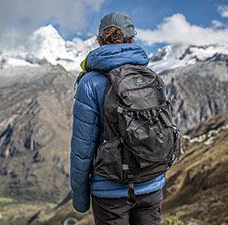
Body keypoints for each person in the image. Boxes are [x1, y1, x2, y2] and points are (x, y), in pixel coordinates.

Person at [70, 12, 166, 225]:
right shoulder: (151, 77)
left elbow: (82, 149)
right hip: (151, 184)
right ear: (133, 40)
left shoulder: (90, 83)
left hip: (110, 190)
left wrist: (80, 200)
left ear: (99, 41)